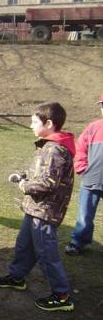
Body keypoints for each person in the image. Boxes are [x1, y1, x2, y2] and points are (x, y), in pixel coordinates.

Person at [0, 102, 75, 312]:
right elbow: (41, 173)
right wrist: (23, 176)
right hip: (34, 208)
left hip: (46, 212)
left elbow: (48, 183)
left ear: (48, 123)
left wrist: (25, 186)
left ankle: (62, 295)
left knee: (46, 254)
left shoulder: (55, 149)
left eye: (34, 121)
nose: (30, 125)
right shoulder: (46, 146)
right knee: (24, 245)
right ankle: (17, 276)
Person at [65, 95, 103, 255]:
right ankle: (78, 242)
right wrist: (82, 168)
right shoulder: (93, 127)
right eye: (102, 105)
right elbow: (80, 148)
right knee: (84, 216)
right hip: (91, 179)